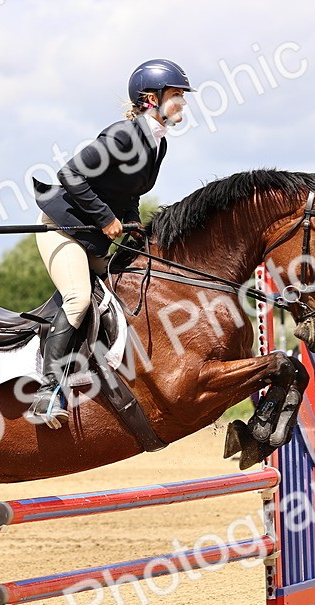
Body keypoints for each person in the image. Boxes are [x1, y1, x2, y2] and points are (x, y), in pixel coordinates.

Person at [25, 58, 194, 427]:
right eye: (176, 95)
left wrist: (130, 221)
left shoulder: (158, 144)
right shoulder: (122, 135)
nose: (183, 102)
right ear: (152, 99)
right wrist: (105, 218)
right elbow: (70, 174)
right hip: (63, 228)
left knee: (122, 291)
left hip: (93, 237)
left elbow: (130, 191)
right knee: (78, 298)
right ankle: (46, 393)